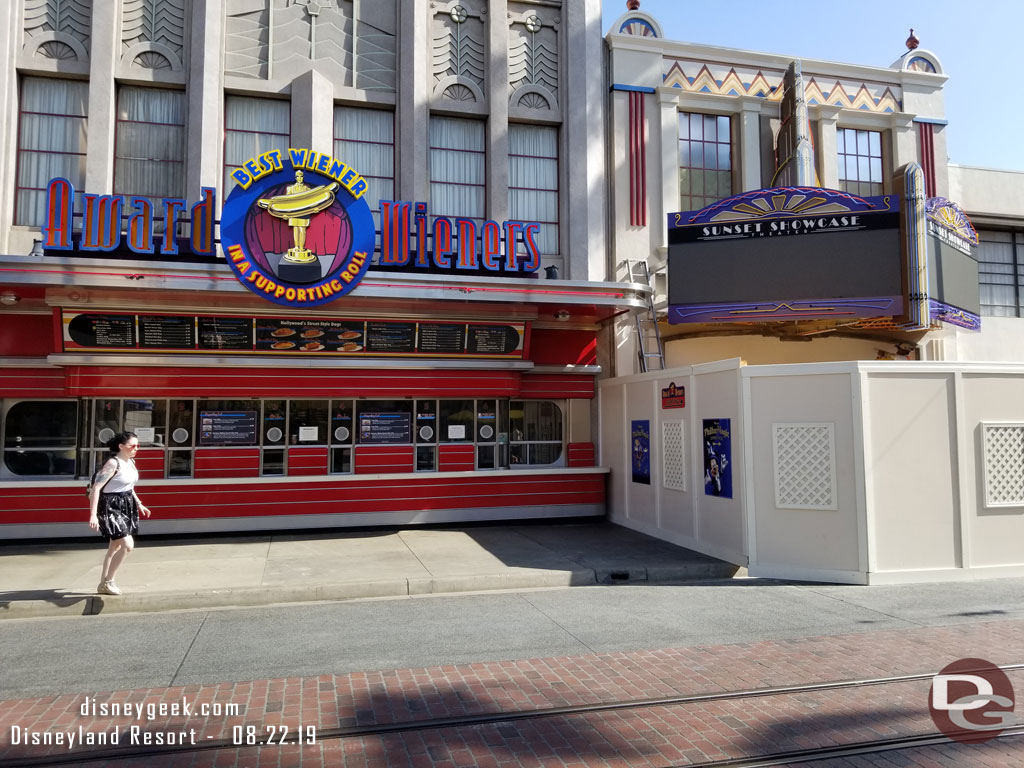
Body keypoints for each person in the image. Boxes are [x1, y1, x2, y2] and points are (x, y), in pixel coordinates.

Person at [87, 432, 151, 595]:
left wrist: (139, 503)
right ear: (121, 446)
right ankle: (109, 581)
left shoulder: (131, 462)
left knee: (114, 547)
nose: (136, 449)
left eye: (138, 446)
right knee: (128, 545)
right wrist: (93, 515)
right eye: (133, 446)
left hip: (126, 505)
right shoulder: (113, 463)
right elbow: (96, 488)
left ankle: (103, 584)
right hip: (110, 506)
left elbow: (129, 486)